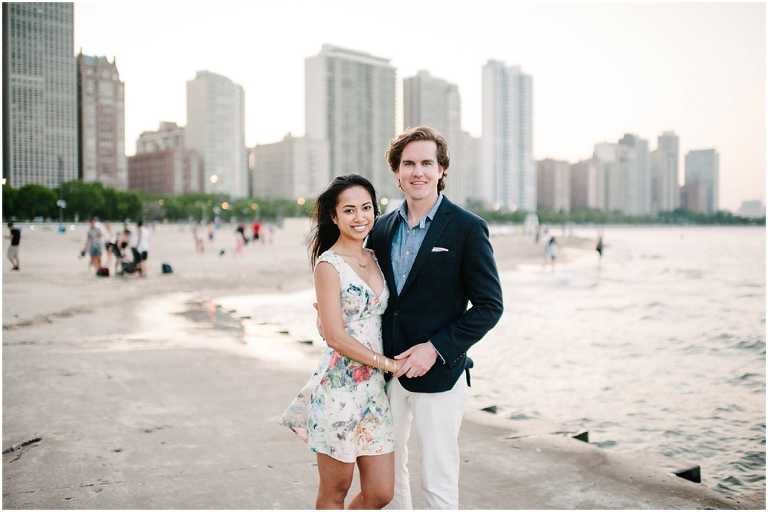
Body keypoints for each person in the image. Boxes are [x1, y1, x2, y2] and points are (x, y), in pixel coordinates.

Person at [366, 126, 504, 509]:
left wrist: (436, 349)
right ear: (397, 172)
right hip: (387, 372)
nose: (418, 171)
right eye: (408, 163)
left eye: (427, 162)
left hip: (440, 375)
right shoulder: (381, 228)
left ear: (442, 169)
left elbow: (490, 306)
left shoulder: (467, 228)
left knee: (438, 479)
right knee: (389, 479)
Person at [280, 174, 400, 509]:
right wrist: (389, 364)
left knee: (380, 492)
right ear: (334, 217)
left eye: (366, 208)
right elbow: (334, 335)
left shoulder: (376, 257)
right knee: (336, 489)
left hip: (375, 393)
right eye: (349, 210)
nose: (359, 217)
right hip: (340, 389)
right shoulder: (328, 265)